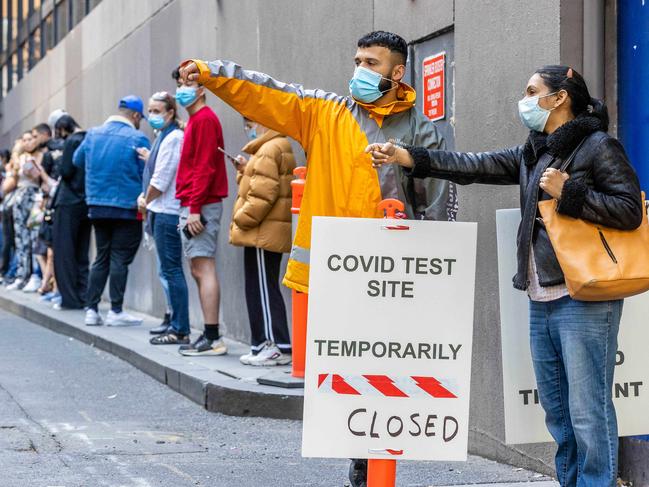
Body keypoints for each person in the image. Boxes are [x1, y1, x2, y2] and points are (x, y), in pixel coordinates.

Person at [177, 30, 456, 485]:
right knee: (348, 377)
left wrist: (434, 274)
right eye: (357, 60)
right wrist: (213, 74)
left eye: (371, 63)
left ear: (398, 72)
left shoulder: (425, 132)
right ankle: (362, 464)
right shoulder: (324, 113)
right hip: (338, 277)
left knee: (390, 375)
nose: (360, 70)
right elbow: (267, 92)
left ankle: (375, 462)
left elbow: (439, 205)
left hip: (398, 282)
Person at [367, 65, 643, 487]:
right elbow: (474, 165)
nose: (525, 99)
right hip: (541, 296)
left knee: (588, 410)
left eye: (532, 91)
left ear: (559, 98)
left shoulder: (597, 146)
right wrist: (410, 157)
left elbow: (628, 210)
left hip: (584, 297)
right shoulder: (534, 151)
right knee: (557, 411)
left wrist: (568, 191)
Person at [73, 95, 151, 326]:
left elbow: (78, 161)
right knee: (120, 258)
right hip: (127, 206)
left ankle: (91, 309)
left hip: (97, 205)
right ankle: (116, 311)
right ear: (136, 116)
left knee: (101, 257)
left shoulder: (93, 134)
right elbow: (146, 171)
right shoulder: (138, 137)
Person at [230, 118, 295, 366]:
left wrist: (240, 218)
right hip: (266, 229)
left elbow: (262, 196)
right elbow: (260, 186)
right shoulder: (275, 146)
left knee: (262, 288)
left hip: (261, 231)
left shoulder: (269, 148)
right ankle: (265, 345)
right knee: (262, 286)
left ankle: (273, 344)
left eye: (249, 121)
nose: (247, 126)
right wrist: (244, 170)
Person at [172, 69, 228, 356]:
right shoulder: (197, 120)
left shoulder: (204, 120)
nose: (182, 88)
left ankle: (212, 336)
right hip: (195, 202)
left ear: (203, 89)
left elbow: (204, 167)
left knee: (203, 267)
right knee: (197, 267)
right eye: (180, 83)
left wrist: (194, 209)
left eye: (189, 83)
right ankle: (209, 334)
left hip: (201, 204)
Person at [136, 91, 190, 345]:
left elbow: (162, 178)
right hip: (160, 210)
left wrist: (146, 200)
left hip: (168, 212)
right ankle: (173, 321)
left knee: (172, 271)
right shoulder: (162, 137)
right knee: (167, 271)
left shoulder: (174, 138)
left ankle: (180, 328)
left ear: (170, 113)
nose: (152, 115)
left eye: (157, 111)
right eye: (150, 110)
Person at [52, 115, 90, 310]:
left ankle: (69, 299)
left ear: (63, 129)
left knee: (64, 252)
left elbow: (66, 172)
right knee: (82, 252)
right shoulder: (90, 138)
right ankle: (84, 295)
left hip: (68, 202)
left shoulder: (72, 142)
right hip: (87, 202)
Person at [6, 132, 42, 291]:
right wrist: (16, 156)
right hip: (20, 198)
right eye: (24, 140)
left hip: (35, 197)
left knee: (35, 237)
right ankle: (21, 275)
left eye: (30, 139)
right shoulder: (20, 158)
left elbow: (37, 176)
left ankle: (36, 275)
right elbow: (13, 178)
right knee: (21, 238)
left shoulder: (40, 155)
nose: (27, 142)